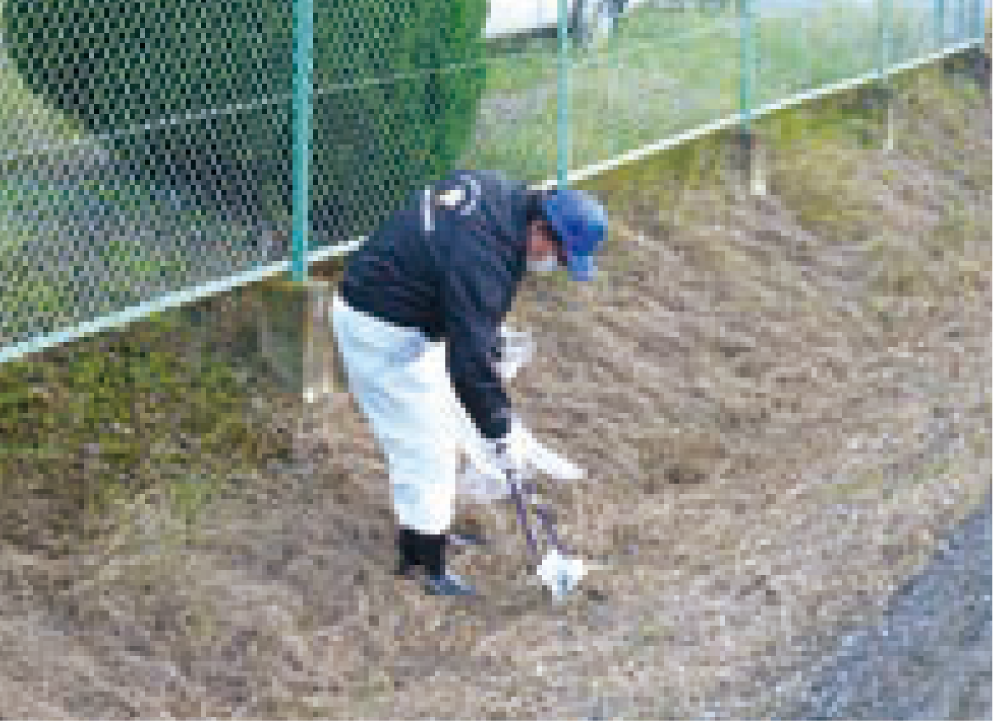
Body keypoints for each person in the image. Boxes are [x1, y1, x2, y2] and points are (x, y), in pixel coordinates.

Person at [331, 169, 609, 597]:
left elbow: (459, 293)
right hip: (378, 328)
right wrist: (500, 428)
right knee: (424, 448)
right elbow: (467, 365)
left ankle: (431, 529)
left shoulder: (505, 199)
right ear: (542, 229)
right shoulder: (485, 255)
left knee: (442, 430)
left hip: (401, 310)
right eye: (558, 253)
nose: (553, 263)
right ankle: (423, 564)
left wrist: (488, 339)